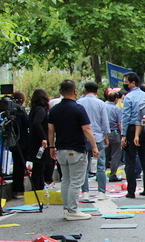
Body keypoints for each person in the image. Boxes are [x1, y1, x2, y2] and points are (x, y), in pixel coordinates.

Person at [48, 79, 99, 221]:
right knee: (76, 181)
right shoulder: (78, 108)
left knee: (66, 180)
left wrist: (52, 146)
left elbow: (51, 130)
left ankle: (67, 208)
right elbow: (86, 129)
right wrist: (94, 146)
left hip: (60, 149)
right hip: (76, 148)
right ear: (75, 91)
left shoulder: (54, 109)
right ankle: (73, 210)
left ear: (60, 92)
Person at [76, 82, 109, 201]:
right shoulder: (100, 103)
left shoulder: (79, 103)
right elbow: (105, 122)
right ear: (97, 90)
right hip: (98, 137)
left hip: (82, 137)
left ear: (85, 89)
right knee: (101, 165)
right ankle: (101, 192)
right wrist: (106, 137)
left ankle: (85, 192)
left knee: (83, 166)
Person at [120, 72, 145, 198]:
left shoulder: (129, 97)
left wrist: (123, 135)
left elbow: (126, 116)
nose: (125, 84)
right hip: (144, 128)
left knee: (130, 160)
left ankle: (131, 191)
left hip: (131, 128)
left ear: (133, 82)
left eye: (126, 82)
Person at [28, 88, 51, 192]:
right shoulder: (41, 110)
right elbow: (37, 123)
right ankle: (38, 188)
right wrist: (43, 138)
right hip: (40, 141)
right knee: (39, 166)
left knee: (38, 166)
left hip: (33, 140)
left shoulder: (34, 109)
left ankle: (39, 187)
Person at [8, 92, 29, 198]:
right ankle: (19, 189)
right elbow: (27, 123)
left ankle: (16, 189)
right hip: (22, 142)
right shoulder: (20, 111)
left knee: (17, 166)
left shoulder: (10, 111)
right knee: (20, 166)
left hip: (12, 142)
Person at [104, 90, 123, 182]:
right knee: (115, 155)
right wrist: (123, 134)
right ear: (115, 99)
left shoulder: (102, 106)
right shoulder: (117, 109)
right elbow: (119, 123)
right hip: (114, 133)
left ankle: (100, 174)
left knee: (104, 154)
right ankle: (112, 175)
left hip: (103, 133)